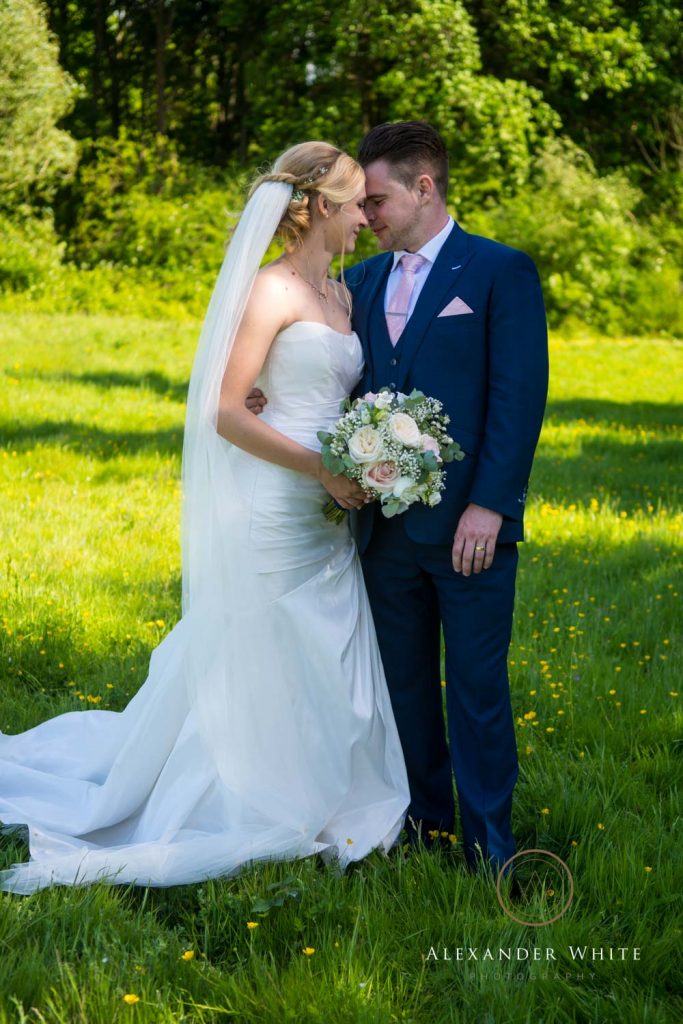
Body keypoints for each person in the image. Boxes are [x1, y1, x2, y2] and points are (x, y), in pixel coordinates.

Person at [0, 142, 411, 894]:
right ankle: (244, 791)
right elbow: (225, 408)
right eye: (356, 204)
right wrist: (320, 465)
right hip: (278, 503)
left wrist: (372, 455)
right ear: (321, 206)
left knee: (325, 647)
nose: (364, 218)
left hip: (330, 507)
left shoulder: (344, 296)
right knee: (260, 642)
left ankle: (327, 792)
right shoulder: (270, 291)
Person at [249, 121, 549, 876]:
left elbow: (518, 397)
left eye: (377, 200)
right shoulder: (361, 284)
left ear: (424, 187)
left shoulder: (497, 272)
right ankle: (422, 822)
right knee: (402, 685)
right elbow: (326, 381)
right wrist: (259, 394)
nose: (367, 215)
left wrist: (490, 505)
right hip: (377, 531)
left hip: (466, 530)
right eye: (360, 203)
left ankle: (489, 846)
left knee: (476, 687)